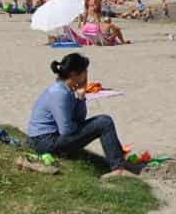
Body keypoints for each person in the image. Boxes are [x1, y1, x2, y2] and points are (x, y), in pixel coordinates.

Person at [26, 52, 141, 180]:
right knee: (104, 122)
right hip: (45, 142)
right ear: (74, 74)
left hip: (47, 139)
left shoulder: (66, 89)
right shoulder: (59, 93)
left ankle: (118, 162)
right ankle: (118, 168)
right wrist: (80, 126)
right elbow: (66, 130)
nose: (87, 74)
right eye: (85, 71)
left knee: (103, 122)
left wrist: (81, 96)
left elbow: (79, 119)